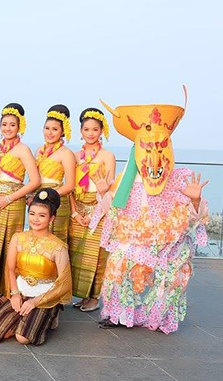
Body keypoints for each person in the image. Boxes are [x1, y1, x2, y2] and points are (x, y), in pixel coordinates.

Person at [94, 88, 209, 333]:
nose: (154, 154)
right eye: (148, 147)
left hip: (165, 244)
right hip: (131, 239)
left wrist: (196, 201)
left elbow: (193, 218)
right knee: (117, 267)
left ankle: (157, 317)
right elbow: (111, 209)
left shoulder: (181, 179)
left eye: (161, 146)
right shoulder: (128, 178)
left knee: (173, 275)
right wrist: (104, 192)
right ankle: (118, 315)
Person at [0, 188, 72, 346]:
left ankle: (49, 316)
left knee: (22, 338)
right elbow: (10, 269)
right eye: (32, 213)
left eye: (42, 215)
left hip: (43, 296)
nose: (35, 219)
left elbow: (64, 283)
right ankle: (26, 319)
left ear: (52, 218)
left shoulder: (58, 247)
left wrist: (35, 302)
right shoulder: (18, 238)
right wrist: (14, 294)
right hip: (21, 291)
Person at [0, 103, 41, 305]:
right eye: (4, 124)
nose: (8, 128)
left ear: (20, 127)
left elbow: (35, 181)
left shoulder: (23, 150)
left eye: (12, 125)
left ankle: (10, 291)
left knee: (9, 245)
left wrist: (9, 198)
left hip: (12, 202)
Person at [68, 108, 115, 312]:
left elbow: (111, 189)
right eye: (86, 129)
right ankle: (82, 294)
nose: (90, 133)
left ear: (101, 130)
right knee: (77, 253)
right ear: (80, 131)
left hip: (100, 208)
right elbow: (69, 186)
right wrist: (75, 213)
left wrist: (97, 210)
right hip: (78, 209)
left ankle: (95, 297)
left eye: (95, 129)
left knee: (97, 255)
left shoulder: (107, 156)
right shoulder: (74, 156)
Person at [33, 105, 76, 242]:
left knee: (55, 241)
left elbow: (70, 185)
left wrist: (48, 197)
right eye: (47, 128)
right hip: (38, 201)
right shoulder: (39, 150)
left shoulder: (66, 153)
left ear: (63, 131)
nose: (50, 133)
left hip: (57, 200)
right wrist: (31, 196)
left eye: (55, 129)